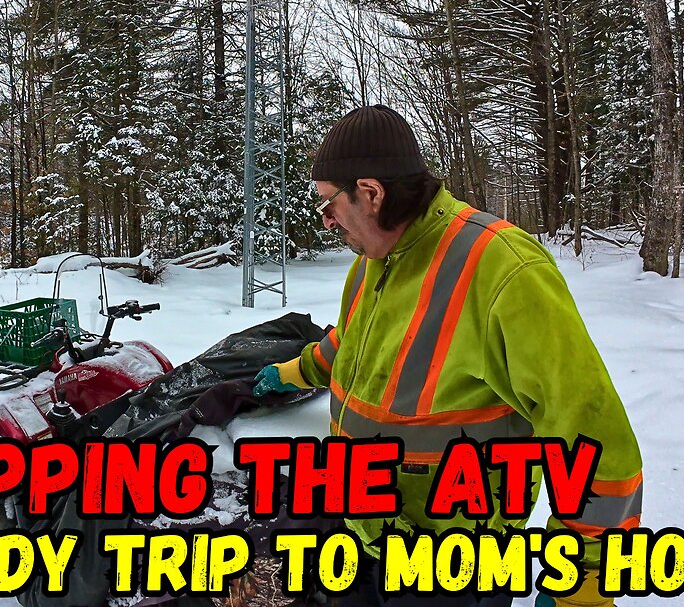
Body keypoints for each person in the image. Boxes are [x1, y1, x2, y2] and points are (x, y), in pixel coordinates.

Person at [253, 105, 643, 607]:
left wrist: (586, 579)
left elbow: (588, 427)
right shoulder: (375, 259)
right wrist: (291, 373)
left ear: (370, 193)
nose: (325, 219)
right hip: (361, 524)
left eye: (329, 202)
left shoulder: (501, 267)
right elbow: (353, 346)